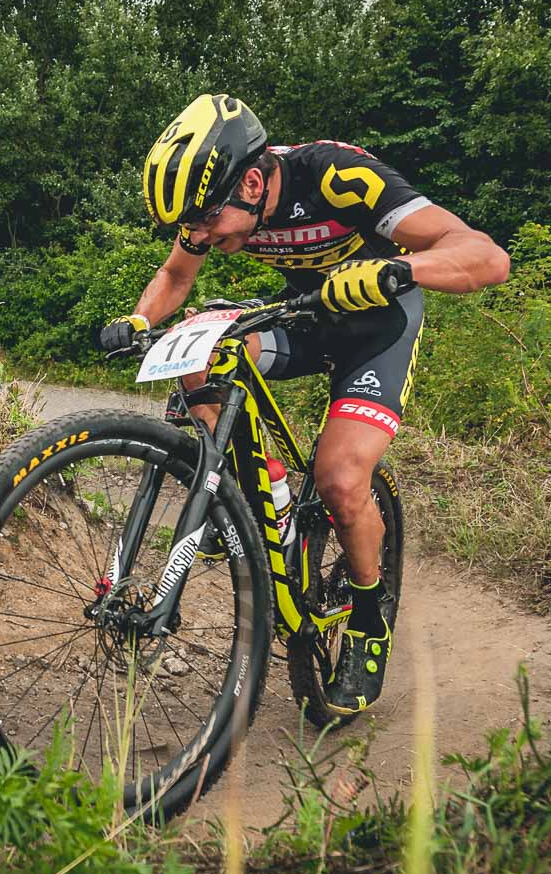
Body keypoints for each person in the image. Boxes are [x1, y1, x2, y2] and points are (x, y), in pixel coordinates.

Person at [98, 93, 510, 716]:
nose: (201, 234)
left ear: (255, 181)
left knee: (343, 482)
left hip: (377, 327)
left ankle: (370, 624)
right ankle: (254, 495)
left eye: (208, 220)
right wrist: (136, 319)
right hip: (307, 317)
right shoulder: (213, 206)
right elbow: (176, 278)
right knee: (198, 348)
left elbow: (485, 256)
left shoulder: (337, 177)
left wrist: (401, 270)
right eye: (191, 225)